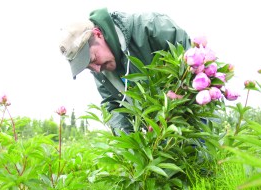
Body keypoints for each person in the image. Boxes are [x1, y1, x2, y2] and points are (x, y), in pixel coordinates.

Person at [59, 7, 191, 135]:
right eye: (88, 67)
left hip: (195, 121)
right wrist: (129, 140)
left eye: (93, 59)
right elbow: (113, 107)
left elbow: (193, 59)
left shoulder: (149, 26)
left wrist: (181, 91)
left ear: (98, 34)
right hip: (163, 139)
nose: (96, 69)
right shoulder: (101, 73)